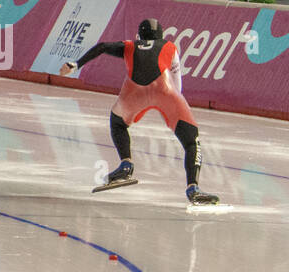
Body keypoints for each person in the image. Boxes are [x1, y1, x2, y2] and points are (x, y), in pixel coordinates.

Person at [59, 19, 221, 206]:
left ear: (139, 36)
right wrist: (175, 108)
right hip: (165, 90)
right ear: (161, 36)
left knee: (118, 122)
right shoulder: (169, 46)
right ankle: (193, 188)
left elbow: (102, 46)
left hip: (134, 92)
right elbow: (177, 81)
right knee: (192, 140)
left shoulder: (130, 45)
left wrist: (76, 64)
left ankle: (126, 164)